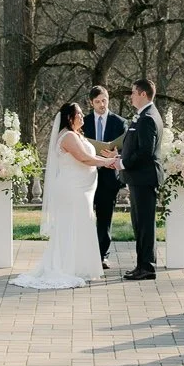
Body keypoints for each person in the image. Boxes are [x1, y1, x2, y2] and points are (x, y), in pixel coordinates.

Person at [13, 102, 120, 291]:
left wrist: (108, 160)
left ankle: (80, 266)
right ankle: (67, 267)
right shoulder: (68, 136)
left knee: (82, 224)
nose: (82, 116)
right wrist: (108, 162)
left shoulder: (77, 134)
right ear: (69, 117)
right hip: (73, 189)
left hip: (82, 190)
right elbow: (84, 158)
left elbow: (90, 157)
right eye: (79, 114)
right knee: (73, 225)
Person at [119, 78, 163, 281]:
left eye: (133, 93)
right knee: (141, 224)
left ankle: (146, 267)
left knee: (144, 225)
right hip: (140, 178)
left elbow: (145, 151)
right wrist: (121, 157)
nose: (131, 96)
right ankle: (142, 265)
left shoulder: (147, 118)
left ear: (143, 94)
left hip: (144, 179)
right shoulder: (145, 115)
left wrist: (124, 163)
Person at [82, 85, 126, 269]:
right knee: (83, 216)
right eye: (98, 101)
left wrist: (116, 154)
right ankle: (84, 253)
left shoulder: (119, 122)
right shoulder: (83, 122)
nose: (102, 104)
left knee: (105, 218)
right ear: (91, 103)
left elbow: (127, 147)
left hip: (108, 178)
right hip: (86, 176)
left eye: (104, 100)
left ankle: (102, 256)